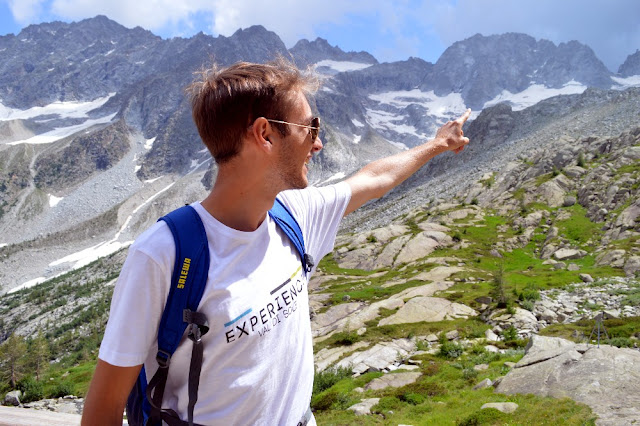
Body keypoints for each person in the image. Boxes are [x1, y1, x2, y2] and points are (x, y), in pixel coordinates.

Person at [81, 58, 470, 425]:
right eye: (310, 128)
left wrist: (438, 144)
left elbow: (373, 179)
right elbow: (104, 406)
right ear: (265, 134)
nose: (317, 144)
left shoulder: (294, 214)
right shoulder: (162, 254)